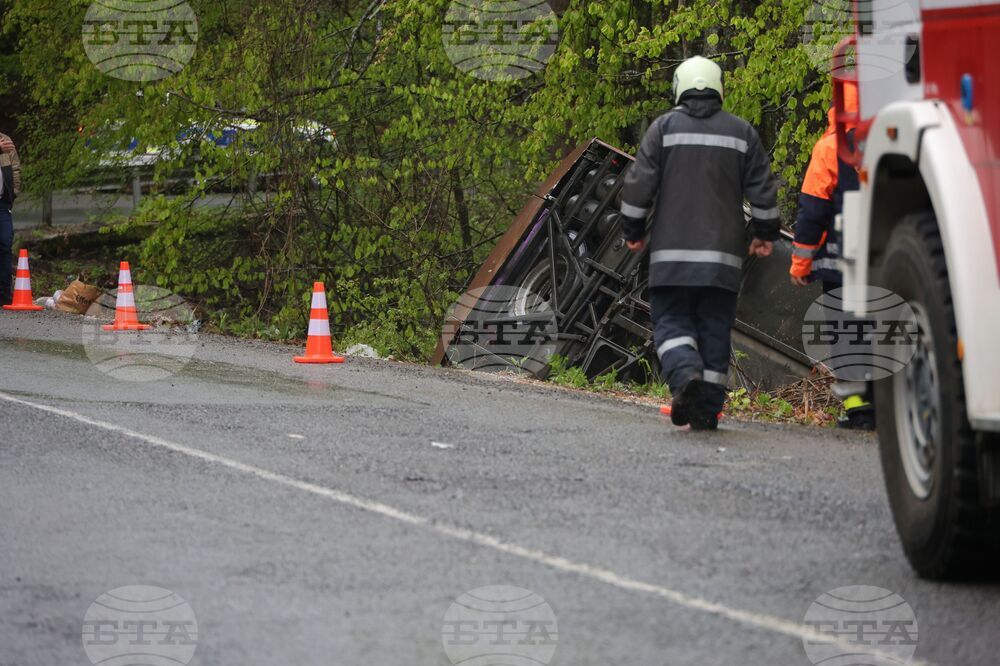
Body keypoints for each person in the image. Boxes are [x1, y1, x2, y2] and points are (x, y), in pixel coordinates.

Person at [620, 56, 780, 431]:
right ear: (719, 88)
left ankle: (685, 375)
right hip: (722, 263)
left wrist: (632, 231)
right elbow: (763, 189)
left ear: (679, 88)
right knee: (715, 332)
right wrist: (764, 234)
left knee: (670, 322)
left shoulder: (663, 129)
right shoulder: (742, 133)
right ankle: (706, 411)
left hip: (671, 260)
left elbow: (638, 186)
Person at [788, 82, 875, 431]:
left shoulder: (829, 148)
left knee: (846, 333)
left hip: (841, 265)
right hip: (885, 261)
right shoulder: (893, 142)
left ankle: (861, 412)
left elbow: (813, 211)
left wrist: (801, 264)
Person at [0, 131, 22, 307]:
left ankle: (4, 295)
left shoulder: (5, 140)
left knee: (5, 244)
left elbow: (15, 169)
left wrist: (13, 194)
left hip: (2, 203)